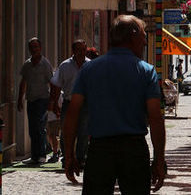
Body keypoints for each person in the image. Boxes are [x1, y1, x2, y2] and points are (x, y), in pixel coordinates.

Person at [63, 14, 166, 193]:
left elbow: (72, 113)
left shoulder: (89, 69)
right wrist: (159, 159)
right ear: (132, 37)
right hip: (134, 151)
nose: (145, 42)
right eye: (143, 36)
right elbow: (155, 118)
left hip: (100, 151)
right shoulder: (146, 71)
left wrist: (69, 153)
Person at [50, 40, 90, 169]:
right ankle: (67, 158)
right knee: (66, 131)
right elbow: (56, 85)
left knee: (83, 131)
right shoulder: (65, 66)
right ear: (73, 51)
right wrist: (55, 103)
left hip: (85, 104)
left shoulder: (90, 65)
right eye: (79, 50)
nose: (81, 52)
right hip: (69, 102)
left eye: (84, 49)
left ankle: (80, 158)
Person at [17, 37, 54, 166]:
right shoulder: (27, 64)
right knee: (32, 129)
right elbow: (23, 82)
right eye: (32, 47)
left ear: (40, 48)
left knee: (40, 127)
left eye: (36, 47)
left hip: (43, 99)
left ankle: (42, 154)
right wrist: (19, 99)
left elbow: (52, 83)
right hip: (31, 100)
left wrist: (52, 101)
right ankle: (34, 155)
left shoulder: (46, 64)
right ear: (29, 49)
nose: (34, 49)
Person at [46, 92, 62, 164]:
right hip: (49, 118)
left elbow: (50, 107)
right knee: (50, 136)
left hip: (55, 118)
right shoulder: (48, 93)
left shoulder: (60, 94)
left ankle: (55, 154)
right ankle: (57, 151)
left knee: (54, 136)